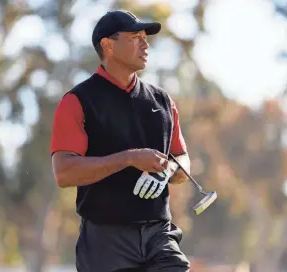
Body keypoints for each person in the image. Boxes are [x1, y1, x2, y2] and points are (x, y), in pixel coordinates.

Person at [50, 9, 192, 272]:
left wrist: (168, 169)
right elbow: (64, 173)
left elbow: (182, 160)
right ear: (108, 45)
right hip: (106, 240)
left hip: (159, 234)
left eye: (145, 37)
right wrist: (129, 159)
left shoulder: (162, 101)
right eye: (135, 36)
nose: (145, 43)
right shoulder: (77, 102)